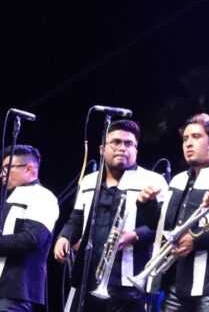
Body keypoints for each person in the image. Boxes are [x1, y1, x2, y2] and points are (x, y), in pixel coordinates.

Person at [137, 113, 209, 312]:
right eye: (185, 138)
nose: (188, 143)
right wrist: (146, 203)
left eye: (196, 137)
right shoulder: (178, 180)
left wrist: (196, 241)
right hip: (176, 281)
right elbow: (161, 226)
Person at [55, 120, 167, 312]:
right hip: (88, 277)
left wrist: (135, 235)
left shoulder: (153, 180)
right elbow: (77, 218)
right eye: (116, 142)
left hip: (129, 281)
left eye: (129, 143)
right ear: (102, 149)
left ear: (136, 150)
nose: (122, 148)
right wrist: (64, 236)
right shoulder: (89, 181)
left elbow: (163, 226)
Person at [0, 146, 59, 312]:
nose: (2, 174)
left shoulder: (43, 196)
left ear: (28, 168)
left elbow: (32, 239)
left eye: (8, 168)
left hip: (15, 290)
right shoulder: (12, 196)